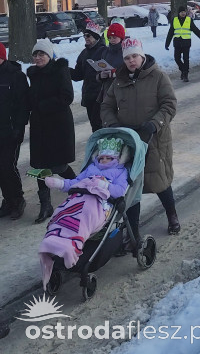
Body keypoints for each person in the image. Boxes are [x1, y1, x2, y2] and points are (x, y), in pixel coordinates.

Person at [101, 37, 180, 236]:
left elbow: (169, 104)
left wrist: (154, 124)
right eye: (127, 58)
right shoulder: (119, 81)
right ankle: (133, 231)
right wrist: (114, 125)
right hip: (128, 141)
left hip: (153, 138)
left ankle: (172, 215)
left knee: (159, 180)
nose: (131, 61)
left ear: (141, 55)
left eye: (134, 56)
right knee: (130, 188)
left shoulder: (158, 77)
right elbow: (106, 106)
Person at [40, 136, 128, 288]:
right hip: (78, 197)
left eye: (109, 158)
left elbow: (120, 190)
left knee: (85, 214)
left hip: (100, 203)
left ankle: (72, 244)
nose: (105, 161)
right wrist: (58, 183)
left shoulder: (120, 171)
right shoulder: (91, 168)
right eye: (102, 158)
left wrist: (104, 185)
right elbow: (75, 182)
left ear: (117, 158)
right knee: (61, 213)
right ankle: (54, 239)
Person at [27, 40, 76, 223]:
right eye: (36, 55)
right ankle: (45, 206)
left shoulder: (60, 70)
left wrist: (42, 105)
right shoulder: (33, 74)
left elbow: (67, 96)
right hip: (40, 126)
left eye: (42, 54)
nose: (38, 58)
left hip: (58, 125)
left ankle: (80, 189)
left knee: (59, 166)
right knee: (39, 166)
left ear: (49, 56)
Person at [0, 43, 29, 220]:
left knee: (7, 165)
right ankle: (8, 200)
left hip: (11, 131)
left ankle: (18, 199)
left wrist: (19, 127)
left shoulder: (16, 76)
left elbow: (23, 105)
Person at [70, 20, 106, 131]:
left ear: (95, 36)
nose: (86, 37)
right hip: (89, 96)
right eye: (84, 35)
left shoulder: (104, 51)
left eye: (88, 35)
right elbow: (78, 75)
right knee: (95, 128)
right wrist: (65, 70)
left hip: (101, 97)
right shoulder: (84, 53)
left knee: (102, 128)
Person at [165, 5, 200, 82]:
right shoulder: (174, 20)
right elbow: (170, 33)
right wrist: (167, 44)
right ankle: (183, 70)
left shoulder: (189, 20)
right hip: (178, 43)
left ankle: (185, 74)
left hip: (186, 43)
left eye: (184, 12)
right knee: (177, 58)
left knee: (186, 59)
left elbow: (196, 31)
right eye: (181, 12)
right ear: (179, 13)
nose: (183, 13)